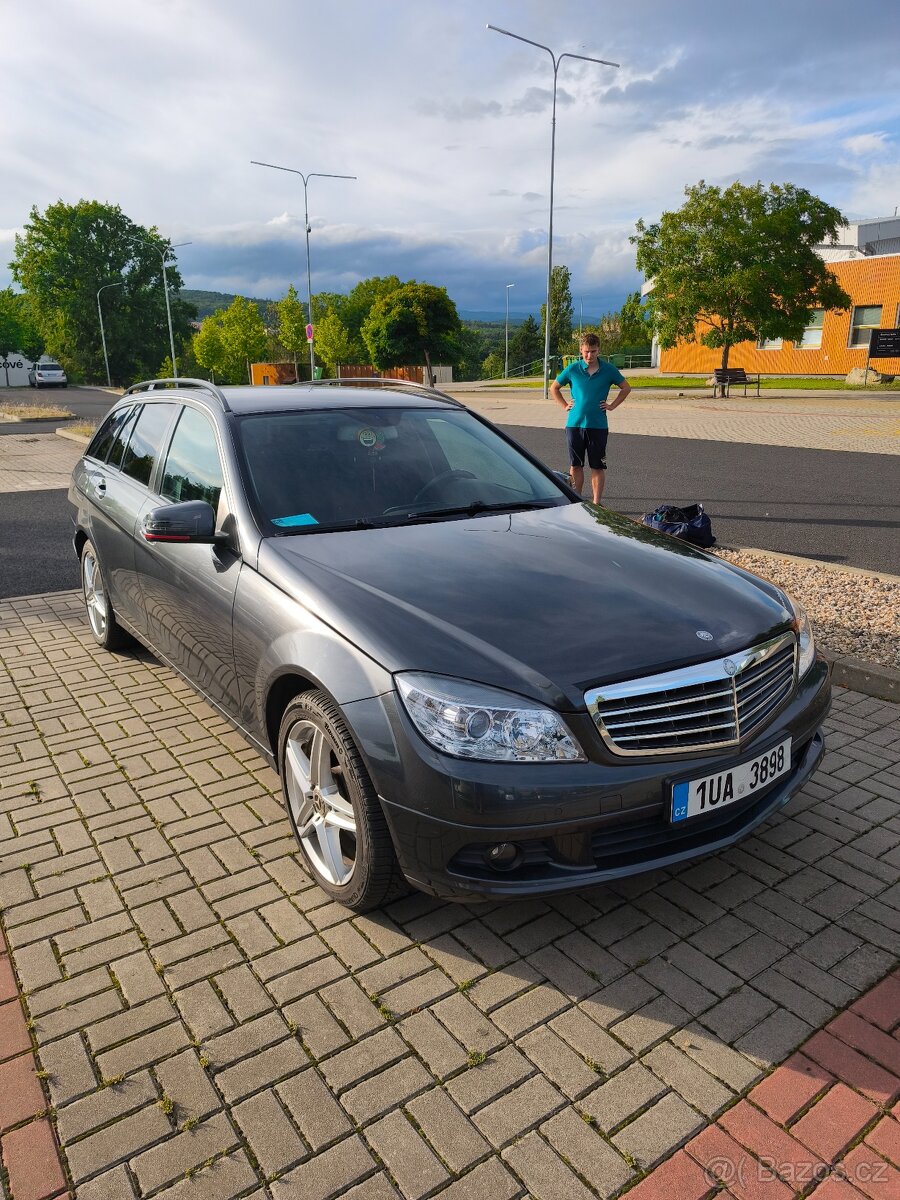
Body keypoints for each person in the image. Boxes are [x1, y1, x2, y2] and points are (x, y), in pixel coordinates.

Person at [550, 333, 631, 505]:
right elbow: (554, 388)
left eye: (593, 351)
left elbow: (626, 388)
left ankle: (596, 503)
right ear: (581, 350)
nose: (589, 355)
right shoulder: (572, 369)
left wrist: (612, 405)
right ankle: (576, 501)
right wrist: (564, 405)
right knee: (575, 465)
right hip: (574, 425)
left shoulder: (608, 369)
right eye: (586, 351)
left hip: (598, 426)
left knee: (597, 466)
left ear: (598, 350)